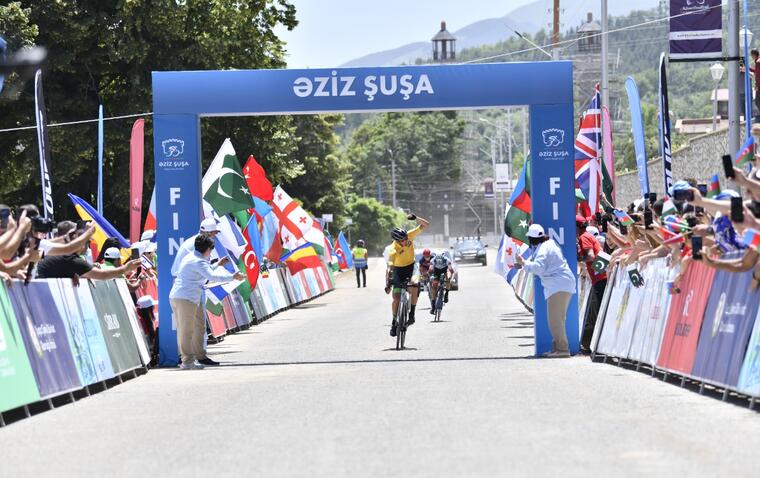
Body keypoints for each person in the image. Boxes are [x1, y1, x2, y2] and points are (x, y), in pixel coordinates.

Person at [169, 235, 245, 370]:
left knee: (194, 328)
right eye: (211, 249)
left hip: (187, 297)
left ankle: (196, 357)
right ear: (207, 249)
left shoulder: (192, 257)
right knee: (186, 330)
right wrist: (233, 277)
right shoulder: (198, 261)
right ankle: (187, 361)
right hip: (186, 298)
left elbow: (205, 270)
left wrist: (217, 265)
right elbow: (211, 276)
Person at [515, 224, 576, 358]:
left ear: (532, 238)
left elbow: (538, 268)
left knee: (555, 320)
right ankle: (556, 348)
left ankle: (562, 349)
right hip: (562, 284)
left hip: (558, 285)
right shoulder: (548, 245)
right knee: (557, 319)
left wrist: (523, 262)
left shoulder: (543, 249)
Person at [384, 214, 429, 337]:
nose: (405, 240)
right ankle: (394, 322)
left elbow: (425, 225)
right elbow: (390, 268)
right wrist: (387, 283)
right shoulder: (393, 248)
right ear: (397, 241)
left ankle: (412, 314)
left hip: (412, 266)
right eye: (402, 240)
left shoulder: (409, 235)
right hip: (398, 270)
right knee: (396, 298)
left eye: (405, 238)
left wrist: (416, 218)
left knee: (414, 284)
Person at [36, 227, 140, 280]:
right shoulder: (72, 259)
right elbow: (102, 275)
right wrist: (126, 268)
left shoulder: (66, 256)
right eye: (87, 242)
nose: (88, 246)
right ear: (81, 244)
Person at [576, 215, 607, 353]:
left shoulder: (584, 237)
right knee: (594, 311)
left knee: (593, 312)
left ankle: (587, 344)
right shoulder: (587, 236)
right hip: (599, 277)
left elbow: (590, 256)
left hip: (600, 278)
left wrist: (576, 257)